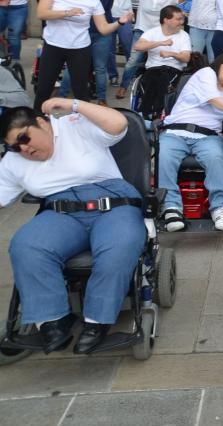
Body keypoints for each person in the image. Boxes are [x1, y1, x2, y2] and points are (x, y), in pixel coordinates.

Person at [1, 99, 146, 354]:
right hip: (60, 212)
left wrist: (73, 104)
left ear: (40, 122)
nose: (23, 149)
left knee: (118, 246)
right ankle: (52, 320)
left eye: (24, 138)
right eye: (14, 146)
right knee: (26, 246)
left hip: (112, 203)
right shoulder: (14, 162)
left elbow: (119, 123)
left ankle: (97, 322)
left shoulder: (73, 124)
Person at [157, 53, 223, 232]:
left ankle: (219, 208)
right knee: (164, 153)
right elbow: (213, 99)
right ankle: (171, 207)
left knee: (216, 156)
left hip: (207, 136)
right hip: (177, 130)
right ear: (219, 65)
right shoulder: (206, 74)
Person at [34, 0, 133, 109]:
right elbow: (41, 13)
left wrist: (119, 22)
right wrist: (67, 13)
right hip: (53, 46)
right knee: (44, 88)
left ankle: (83, 123)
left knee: (81, 91)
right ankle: (37, 119)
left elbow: (104, 29)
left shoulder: (93, 1)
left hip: (79, 49)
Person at [132, 5, 191, 116]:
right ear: (166, 20)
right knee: (154, 77)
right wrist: (160, 43)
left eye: (182, 19)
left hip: (174, 70)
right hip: (153, 69)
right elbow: (138, 46)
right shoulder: (152, 32)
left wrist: (172, 54)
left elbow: (186, 57)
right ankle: (152, 112)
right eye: (178, 19)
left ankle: (152, 111)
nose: (182, 22)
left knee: (164, 78)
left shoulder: (184, 36)